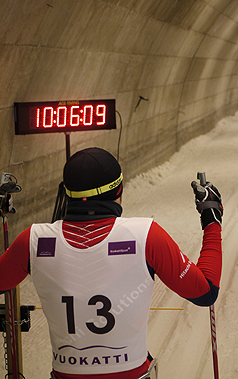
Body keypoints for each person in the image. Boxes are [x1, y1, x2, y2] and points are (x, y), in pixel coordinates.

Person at [0, 147, 223, 379]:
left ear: (66, 193)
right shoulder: (146, 235)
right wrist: (212, 220)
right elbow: (205, 292)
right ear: (119, 191)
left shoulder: (32, 240)